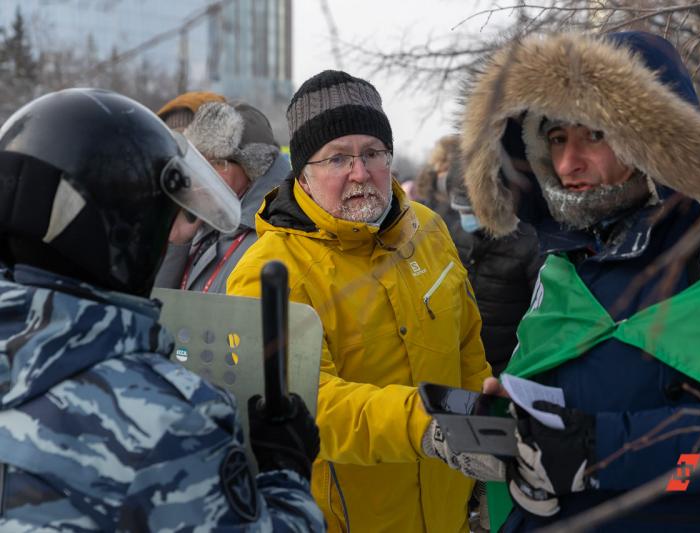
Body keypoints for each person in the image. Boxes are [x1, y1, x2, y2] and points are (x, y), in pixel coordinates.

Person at [458, 31, 700, 530]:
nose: (568, 163)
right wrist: (517, 429)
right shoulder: (565, 265)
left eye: (594, 135)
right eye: (556, 139)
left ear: (654, 141)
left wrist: (600, 453)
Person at [0, 88, 323, 531]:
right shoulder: (165, 422)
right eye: (164, 218)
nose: (173, 233)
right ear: (130, 229)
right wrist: (285, 473)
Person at [227, 70, 494, 532]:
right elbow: (306, 404)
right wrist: (424, 424)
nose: (360, 172)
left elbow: (468, 348)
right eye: (337, 159)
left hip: (450, 515)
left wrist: (487, 448)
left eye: (373, 153)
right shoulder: (268, 271)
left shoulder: (428, 230)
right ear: (304, 176)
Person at [154, 93, 290, 293]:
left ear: (252, 169)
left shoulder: (273, 235)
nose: (203, 176)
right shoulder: (204, 225)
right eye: (199, 163)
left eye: (217, 163)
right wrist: (178, 242)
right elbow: (160, 306)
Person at [445, 153, 541, 376]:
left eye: (472, 212)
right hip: (463, 360)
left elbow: (539, 320)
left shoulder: (530, 242)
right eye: (461, 211)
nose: (466, 218)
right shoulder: (454, 232)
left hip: (508, 366)